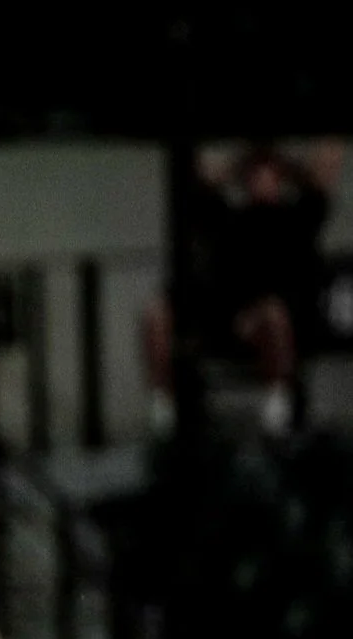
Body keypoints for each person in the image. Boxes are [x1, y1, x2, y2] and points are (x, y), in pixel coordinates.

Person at [145, 139, 340, 439]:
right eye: (255, 174)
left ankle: (279, 406)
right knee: (156, 313)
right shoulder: (228, 218)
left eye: (268, 174)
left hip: (274, 320)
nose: (261, 180)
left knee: (272, 314)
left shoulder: (297, 218)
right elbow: (196, 177)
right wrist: (240, 165)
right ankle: (163, 405)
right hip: (223, 318)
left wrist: (289, 168)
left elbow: (326, 166)